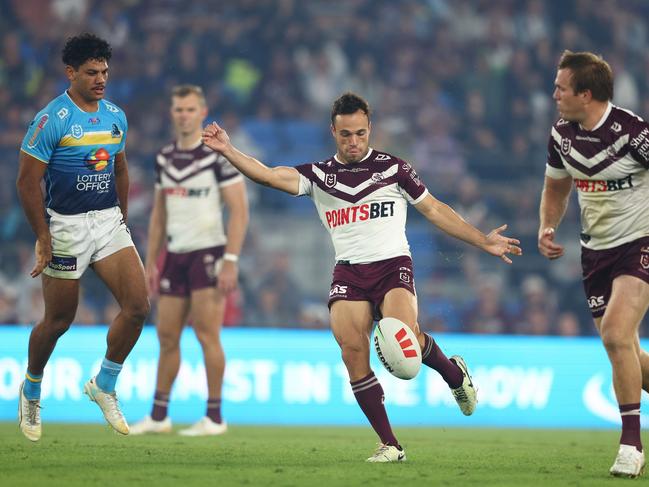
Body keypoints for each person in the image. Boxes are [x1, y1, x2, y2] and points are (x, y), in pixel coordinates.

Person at [202, 92, 522, 462]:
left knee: (406, 344)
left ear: (370, 129)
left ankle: (454, 375)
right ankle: (391, 444)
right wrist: (228, 149)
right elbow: (271, 176)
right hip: (349, 273)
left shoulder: (394, 169)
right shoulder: (319, 175)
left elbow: (434, 209)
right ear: (333, 132)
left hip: (392, 266)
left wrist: (483, 241)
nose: (353, 142)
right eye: (345, 135)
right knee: (353, 350)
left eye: (359, 133)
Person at [15, 33, 149, 441]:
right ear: (70, 73)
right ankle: (32, 390)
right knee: (58, 321)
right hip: (66, 227)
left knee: (138, 307)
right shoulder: (50, 119)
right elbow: (26, 183)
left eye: (105, 71)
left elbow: (120, 168)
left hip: (107, 221)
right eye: (91, 72)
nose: (100, 78)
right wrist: (43, 235)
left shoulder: (115, 116)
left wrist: (122, 218)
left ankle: (104, 385)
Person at [539, 50, 649, 478]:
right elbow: (556, 187)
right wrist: (547, 226)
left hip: (639, 242)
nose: (554, 96)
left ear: (586, 94)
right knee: (621, 350)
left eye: (561, 88)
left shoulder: (631, 132)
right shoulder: (562, 136)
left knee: (619, 334)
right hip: (595, 252)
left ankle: (630, 446)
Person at [130, 85, 248, 436]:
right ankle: (159, 415)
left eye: (190, 109)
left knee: (207, 335)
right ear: (172, 113)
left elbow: (240, 210)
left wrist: (230, 259)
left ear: (202, 111)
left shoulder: (217, 155)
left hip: (208, 253)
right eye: (178, 109)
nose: (184, 115)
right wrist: (150, 261)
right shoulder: (164, 157)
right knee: (166, 336)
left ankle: (214, 418)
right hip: (175, 255)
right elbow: (159, 217)